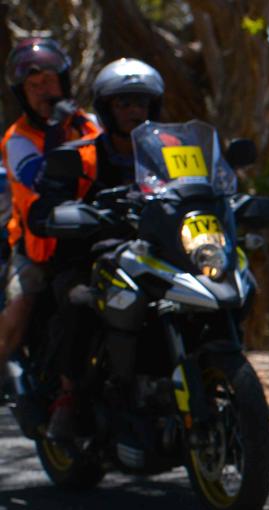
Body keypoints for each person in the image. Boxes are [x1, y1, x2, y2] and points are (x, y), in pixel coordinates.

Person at [16, 57, 164, 440]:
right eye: (124, 103)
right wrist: (65, 213)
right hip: (89, 257)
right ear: (107, 110)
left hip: (157, 254)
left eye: (142, 103)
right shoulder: (79, 155)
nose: (135, 112)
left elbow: (202, 185)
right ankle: (67, 397)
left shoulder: (170, 152)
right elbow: (44, 205)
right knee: (83, 300)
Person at [0, 37, 100, 433]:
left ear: (64, 80)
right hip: (39, 247)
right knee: (22, 303)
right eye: (34, 85)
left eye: (50, 81)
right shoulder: (18, 138)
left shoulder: (91, 122)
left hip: (92, 236)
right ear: (22, 93)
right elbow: (37, 181)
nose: (45, 91)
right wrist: (58, 130)